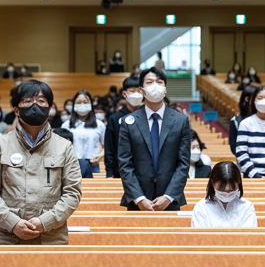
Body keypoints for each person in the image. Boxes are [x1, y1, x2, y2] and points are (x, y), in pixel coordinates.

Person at [0, 80, 83, 245]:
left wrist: (45, 222)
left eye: (41, 101)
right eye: (28, 101)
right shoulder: (0, 145)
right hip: (8, 238)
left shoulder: (64, 147)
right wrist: (12, 223)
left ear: (49, 109)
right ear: (16, 110)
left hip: (51, 239)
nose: (35, 105)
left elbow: (72, 193)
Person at [118, 67, 191, 211]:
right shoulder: (128, 122)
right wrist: (139, 198)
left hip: (170, 201)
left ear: (165, 89)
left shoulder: (180, 121)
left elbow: (183, 163)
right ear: (141, 90)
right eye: (149, 82)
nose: (155, 86)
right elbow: (124, 164)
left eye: (159, 82)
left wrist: (168, 196)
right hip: (137, 201)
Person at [191, 161, 257, 228]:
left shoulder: (247, 207)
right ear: (212, 182)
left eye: (232, 189)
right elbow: (198, 237)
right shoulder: (201, 208)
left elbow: (249, 236)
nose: (227, 193)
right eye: (221, 189)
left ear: (239, 183)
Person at [235, 85, 265, 179]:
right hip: (251, 176)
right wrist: (255, 175)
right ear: (254, 102)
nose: (264, 101)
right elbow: (241, 152)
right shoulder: (246, 124)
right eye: (260, 98)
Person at [105, 76, 143, 179]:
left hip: (144, 173)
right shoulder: (114, 119)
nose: (136, 94)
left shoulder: (148, 116)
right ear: (124, 94)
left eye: (139, 91)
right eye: (132, 91)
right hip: (120, 172)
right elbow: (109, 148)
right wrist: (109, 173)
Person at [62, 90, 106, 178]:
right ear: (74, 105)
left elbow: (106, 146)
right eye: (78, 102)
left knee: (93, 190)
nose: (82, 104)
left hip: (93, 164)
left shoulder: (99, 125)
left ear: (91, 104)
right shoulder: (66, 125)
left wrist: (100, 156)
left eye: (85, 102)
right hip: (72, 165)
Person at [229, 85, 256, 156]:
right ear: (247, 99)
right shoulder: (235, 121)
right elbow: (234, 147)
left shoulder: (264, 119)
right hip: (243, 162)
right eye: (257, 98)